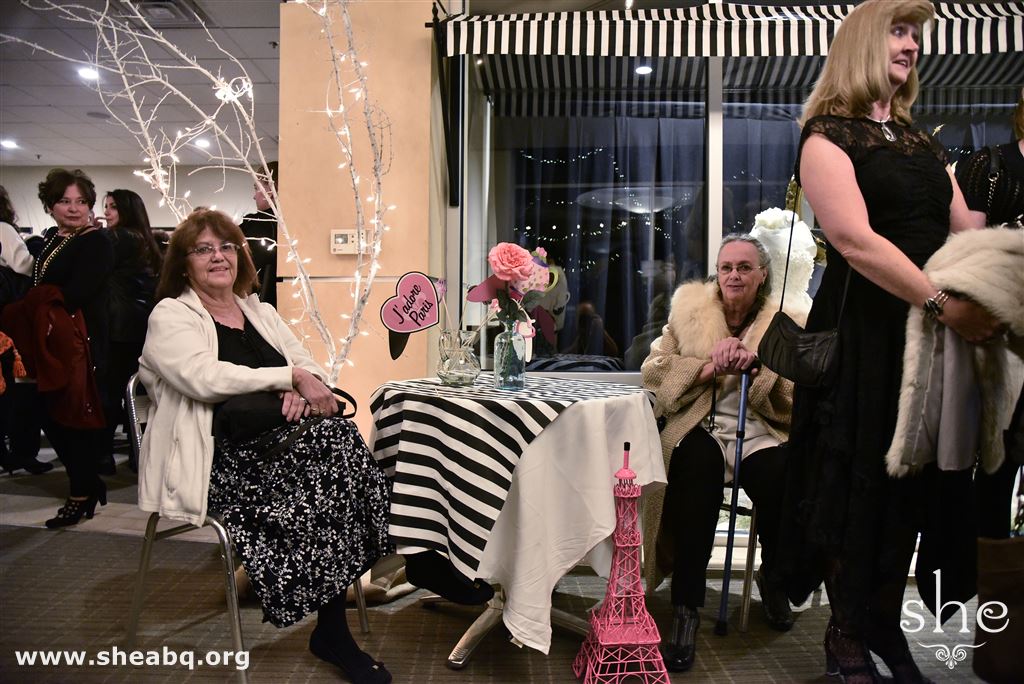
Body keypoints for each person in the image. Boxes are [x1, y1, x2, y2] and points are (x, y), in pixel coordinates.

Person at [776, 2, 1003, 682]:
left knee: (911, 487)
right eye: (898, 32)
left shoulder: (920, 140)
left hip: (927, 339)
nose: (911, 46)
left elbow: (966, 228)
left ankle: (881, 619)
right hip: (865, 335)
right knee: (859, 486)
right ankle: (845, 634)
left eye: (915, 35)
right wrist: (942, 303)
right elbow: (853, 241)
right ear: (863, 44)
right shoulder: (826, 137)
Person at [137, 209, 392, 683]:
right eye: (203, 249)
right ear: (184, 264)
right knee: (334, 466)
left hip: (285, 446)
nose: (218, 257)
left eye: (227, 247)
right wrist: (287, 378)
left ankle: (332, 628)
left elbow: (307, 364)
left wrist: (303, 385)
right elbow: (204, 377)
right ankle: (341, 623)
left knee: (335, 449)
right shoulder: (170, 315)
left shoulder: (260, 311)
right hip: (219, 461)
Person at [641, 234, 808, 672]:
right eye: (727, 267)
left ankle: (774, 578)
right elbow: (653, 371)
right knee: (695, 470)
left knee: (784, 474)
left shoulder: (785, 322)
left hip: (760, 427)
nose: (734, 275)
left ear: (762, 275)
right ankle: (686, 607)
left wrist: (757, 365)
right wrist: (708, 368)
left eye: (744, 267)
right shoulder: (688, 312)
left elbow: (799, 394)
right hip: (702, 424)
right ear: (717, 272)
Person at [7, 169, 115, 525]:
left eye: (81, 201)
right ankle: (87, 484)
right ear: (50, 205)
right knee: (47, 413)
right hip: (51, 340)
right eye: (65, 201)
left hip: (80, 341)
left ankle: (82, 491)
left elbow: (79, 291)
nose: (74, 208)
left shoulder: (95, 241)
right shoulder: (54, 238)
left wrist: (37, 301)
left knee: (71, 417)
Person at [955, 93, 1024, 540]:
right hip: (1001, 340)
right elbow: (968, 254)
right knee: (996, 463)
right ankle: (986, 572)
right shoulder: (990, 166)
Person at [102, 189, 161, 473]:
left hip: (119, 325)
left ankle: (104, 455)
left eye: (113, 206)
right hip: (144, 324)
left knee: (110, 391)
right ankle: (141, 454)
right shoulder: (148, 240)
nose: (106, 212)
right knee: (138, 392)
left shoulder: (115, 238)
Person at [239, 162, 278, 307]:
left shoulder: (256, 225)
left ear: (271, 190)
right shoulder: (294, 226)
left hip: (257, 306)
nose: (254, 197)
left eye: (257, 188)